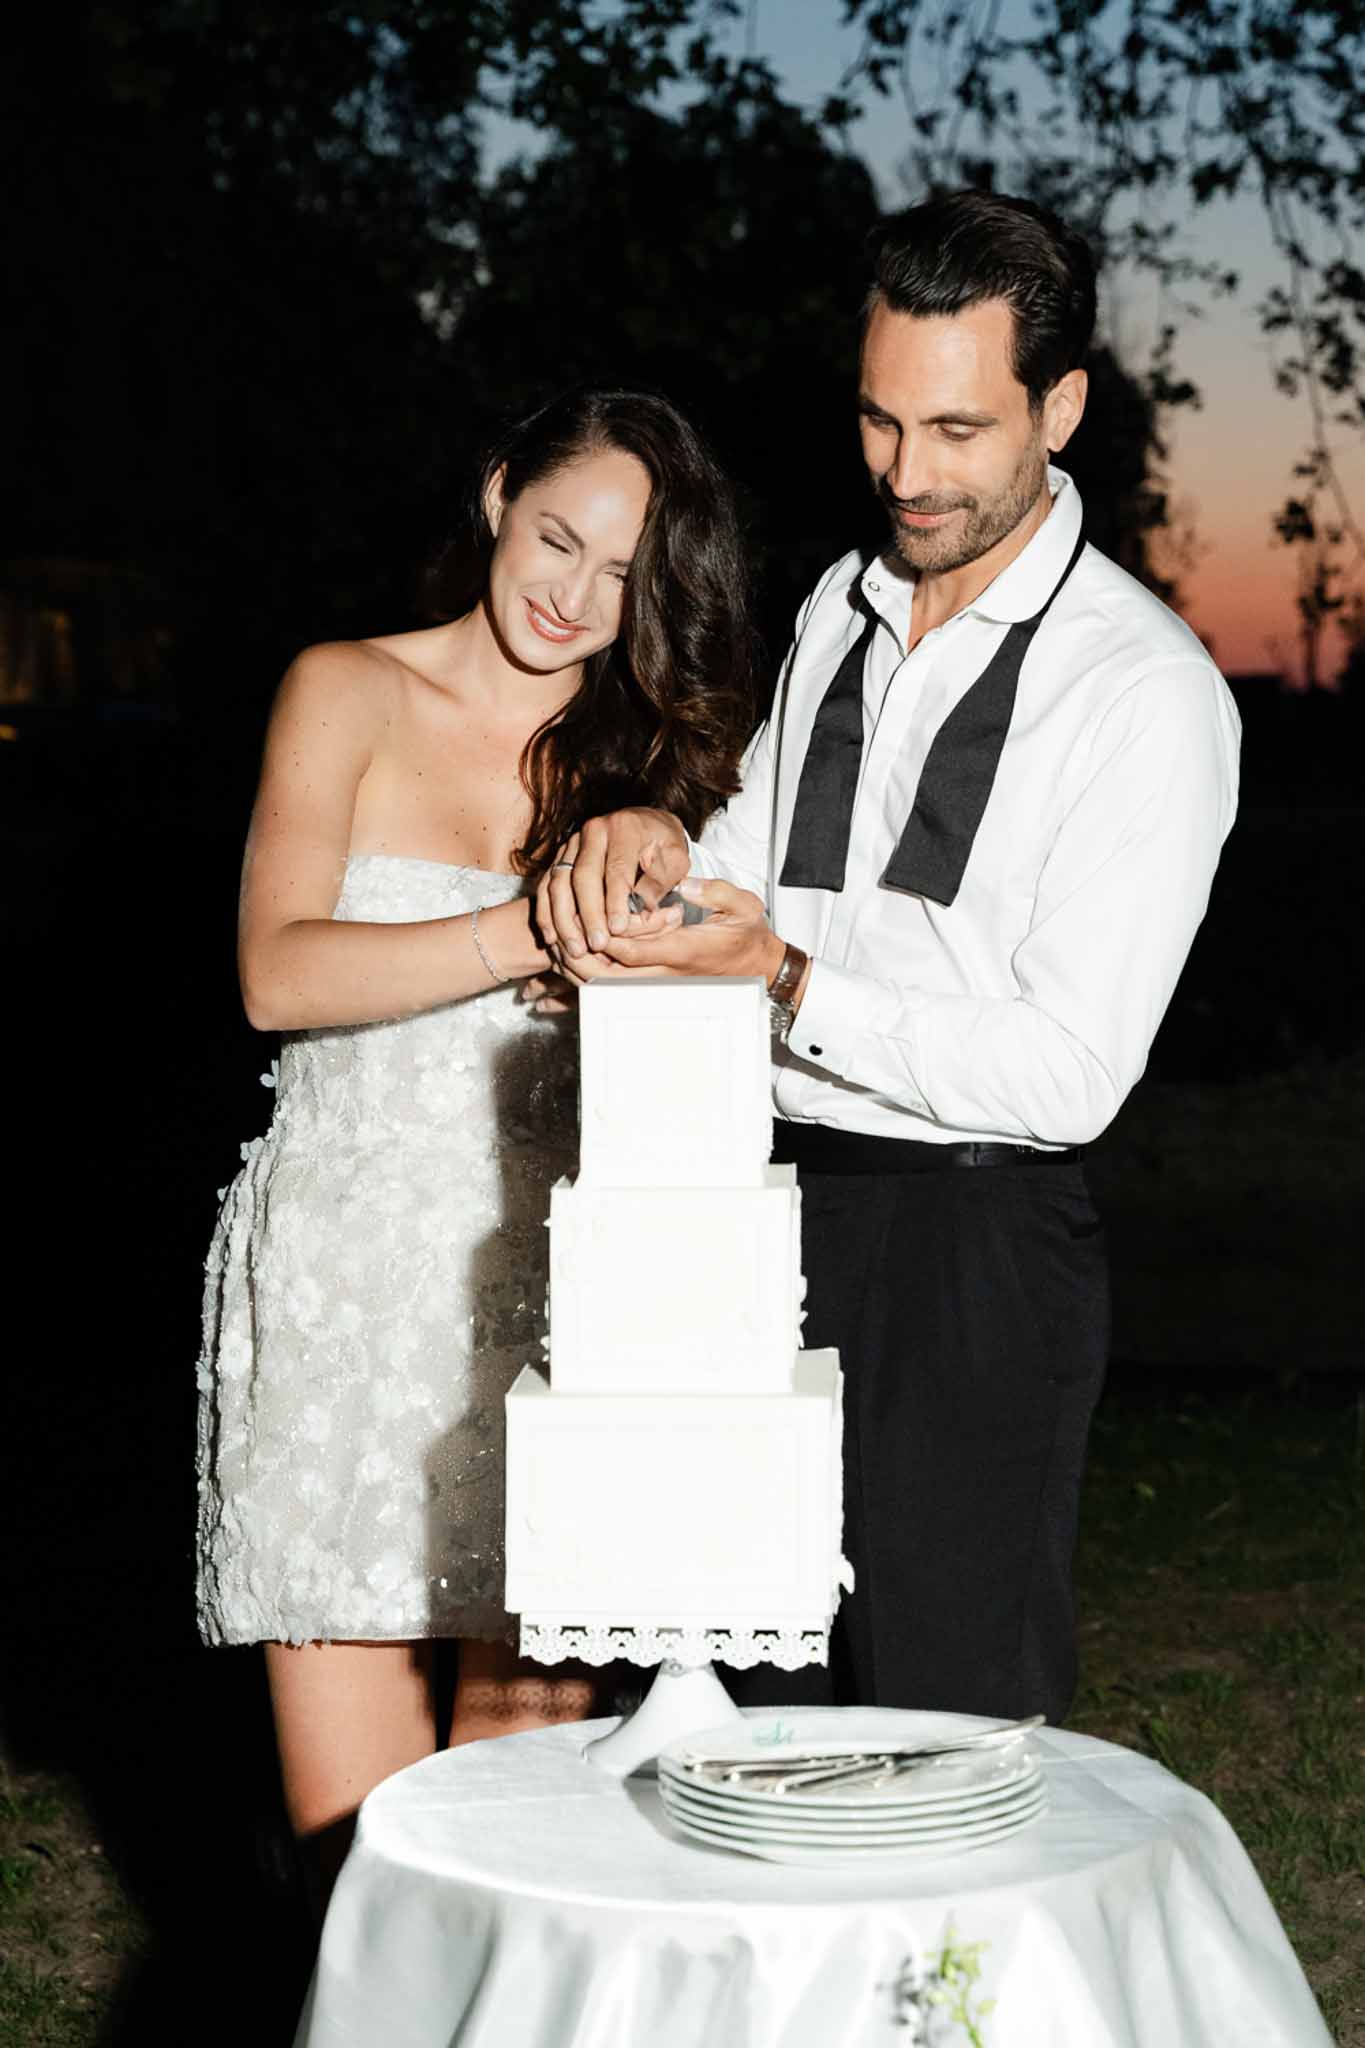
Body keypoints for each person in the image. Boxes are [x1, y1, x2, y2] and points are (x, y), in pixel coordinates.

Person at [534, 192, 1241, 1727]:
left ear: (1056, 408)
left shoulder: (1142, 691)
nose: (906, 476)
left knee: (941, 1719)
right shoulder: (837, 611)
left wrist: (786, 979)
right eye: (876, 422)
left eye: (956, 429)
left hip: (971, 1248)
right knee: (737, 1697)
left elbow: (1066, 1076)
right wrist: (654, 836)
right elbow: (741, 860)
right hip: (761, 1204)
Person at [196, 386, 756, 1894]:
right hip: (338, 1297)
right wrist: (524, 927)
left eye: (620, 574)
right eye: (555, 536)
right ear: (502, 492)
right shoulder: (346, 689)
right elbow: (275, 972)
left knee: (516, 1857)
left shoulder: (649, 762)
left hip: (542, 1302)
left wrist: (663, 871)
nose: (570, 596)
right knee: (355, 1865)